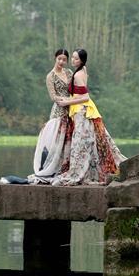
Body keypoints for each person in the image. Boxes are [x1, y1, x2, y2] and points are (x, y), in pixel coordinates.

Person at [50, 48, 126, 186]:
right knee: (94, 140)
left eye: (76, 59)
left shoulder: (78, 75)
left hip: (81, 111)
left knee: (80, 144)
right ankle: (97, 170)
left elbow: (85, 97)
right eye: (72, 58)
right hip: (83, 109)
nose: (73, 60)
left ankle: (80, 172)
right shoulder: (83, 70)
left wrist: (67, 101)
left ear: (82, 61)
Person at [27, 49, 73, 184]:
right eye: (59, 59)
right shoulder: (50, 76)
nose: (62, 62)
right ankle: (50, 168)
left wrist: (74, 102)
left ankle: (66, 169)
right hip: (59, 110)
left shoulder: (70, 73)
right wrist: (66, 101)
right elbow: (53, 96)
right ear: (55, 58)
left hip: (72, 109)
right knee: (55, 141)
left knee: (69, 141)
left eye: (64, 59)